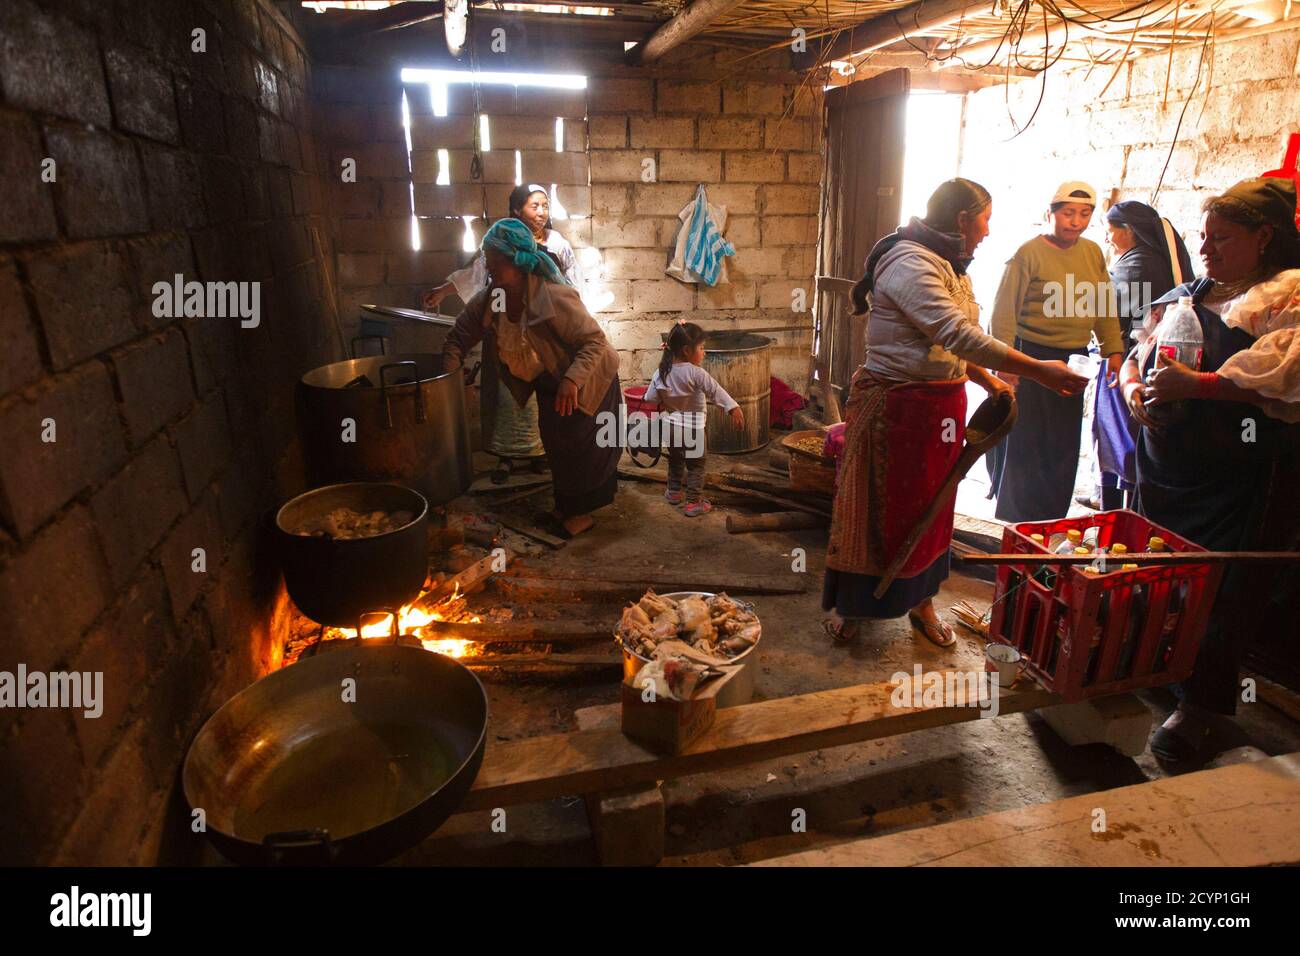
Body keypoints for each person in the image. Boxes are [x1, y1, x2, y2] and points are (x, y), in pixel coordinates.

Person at [822, 179, 1088, 647]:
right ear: (964, 220)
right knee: (876, 513)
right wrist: (1041, 372)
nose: (988, 231)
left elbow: (956, 342)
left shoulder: (952, 266)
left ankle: (921, 603)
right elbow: (956, 333)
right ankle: (853, 607)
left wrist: (989, 381)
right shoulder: (909, 262)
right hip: (894, 409)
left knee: (935, 508)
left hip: (940, 410)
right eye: (985, 220)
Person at [1121, 177, 1300, 764]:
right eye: (1204, 237)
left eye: (1222, 239)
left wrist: (1194, 385)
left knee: (1223, 586)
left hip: (1235, 476)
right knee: (1166, 571)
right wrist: (1132, 390)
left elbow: (1283, 380)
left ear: (1264, 237)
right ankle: (1155, 665)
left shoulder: (1285, 296)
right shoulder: (1191, 292)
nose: (1206, 251)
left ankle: (1202, 707)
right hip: (1170, 465)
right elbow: (1136, 353)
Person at [441, 218, 621, 539]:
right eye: (489, 259)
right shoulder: (492, 299)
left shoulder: (551, 297)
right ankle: (564, 508)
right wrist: (455, 379)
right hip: (551, 382)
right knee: (557, 445)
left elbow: (595, 342)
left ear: (519, 261)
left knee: (582, 446)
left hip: (589, 378)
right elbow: (457, 338)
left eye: (498, 260)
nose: (491, 267)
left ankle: (580, 515)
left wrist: (572, 381)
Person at [425, 185, 587, 484]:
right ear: (516, 209)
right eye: (533, 205)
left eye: (544, 205)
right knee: (507, 396)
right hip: (505, 330)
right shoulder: (498, 242)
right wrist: (443, 291)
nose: (541, 211)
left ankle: (540, 454)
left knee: (542, 397)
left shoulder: (556, 245)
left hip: (539, 335)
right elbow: (475, 273)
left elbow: (572, 284)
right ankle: (506, 457)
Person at [988, 181, 1125, 521]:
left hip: (1074, 359)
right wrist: (1005, 365)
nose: (1075, 221)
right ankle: (1016, 521)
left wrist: (1113, 352)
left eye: (1084, 214)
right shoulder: (1028, 254)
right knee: (1026, 441)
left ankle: (1050, 519)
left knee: (1062, 443)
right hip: (1030, 356)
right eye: (1067, 213)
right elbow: (1003, 312)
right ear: (1049, 214)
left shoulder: (1092, 252)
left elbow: (1103, 305)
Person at [1088, 201, 1196, 509]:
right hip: (1132, 355)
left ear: (1129, 231)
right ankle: (1114, 504)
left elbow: (1106, 307)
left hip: (1124, 358)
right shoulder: (1147, 259)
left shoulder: (1140, 263)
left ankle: (1119, 510)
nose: (1108, 238)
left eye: (1111, 231)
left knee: (1120, 438)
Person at [643, 321, 744, 517]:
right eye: (702, 348)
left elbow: (649, 398)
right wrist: (733, 408)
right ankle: (692, 502)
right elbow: (716, 392)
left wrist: (665, 401)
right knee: (696, 467)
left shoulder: (661, 372)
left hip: (671, 428)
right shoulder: (696, 373)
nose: (704, 352)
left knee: (675, 460)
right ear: (687, 350)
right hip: (693, 430)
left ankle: (673, 492)